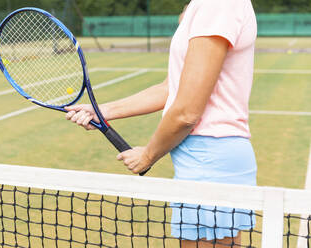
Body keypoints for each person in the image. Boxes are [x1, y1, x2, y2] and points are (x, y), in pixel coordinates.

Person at [66, 0, 257, 247]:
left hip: (210, 163)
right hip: (209, 160)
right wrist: (102, 112)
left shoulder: (217, 4)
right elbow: (172, 87)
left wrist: (148, 155)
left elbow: (187, 111)